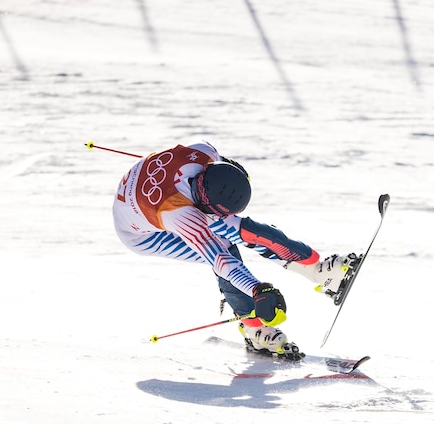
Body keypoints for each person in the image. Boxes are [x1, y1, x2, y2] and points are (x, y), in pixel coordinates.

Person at [112, 139, 359, 359]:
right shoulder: (179, 214)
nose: (224, 217)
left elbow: (229, 173)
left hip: (153, 196)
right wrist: (257, 289)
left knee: (247, 230)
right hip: (142, 234)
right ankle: (253, 327)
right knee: (226, 246)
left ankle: (319, 271)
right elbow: (219, 260)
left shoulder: (204, 152)